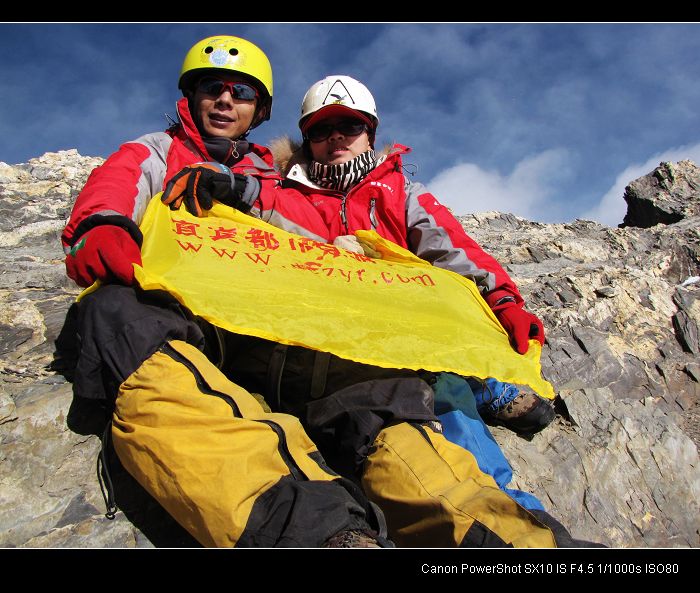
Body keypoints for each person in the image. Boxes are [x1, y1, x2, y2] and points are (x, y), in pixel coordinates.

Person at [64, 39, 590, 548]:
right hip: (201, 317)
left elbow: (443, 252)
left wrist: (503, 302)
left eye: (240, 93)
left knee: (395, 394)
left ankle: (519, 538)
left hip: (317, 330)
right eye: (212, 88)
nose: (225, 100)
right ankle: (324, 535)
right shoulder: (187, 158)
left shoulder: (322, 183)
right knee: (116, 318)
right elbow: (122, 181)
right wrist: (104, 224)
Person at [263, 75, 555, 435]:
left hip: (413, 326)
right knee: (432, 393)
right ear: (308, 141)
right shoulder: (285, 196)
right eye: (322, 129)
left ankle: (481, 385)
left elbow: (449, 246)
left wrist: (502, 299)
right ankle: (477, 386)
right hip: (338, 330)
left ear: (369, 133)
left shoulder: (400, 191)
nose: (336, 136)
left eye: (349, 125)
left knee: (445, 395)